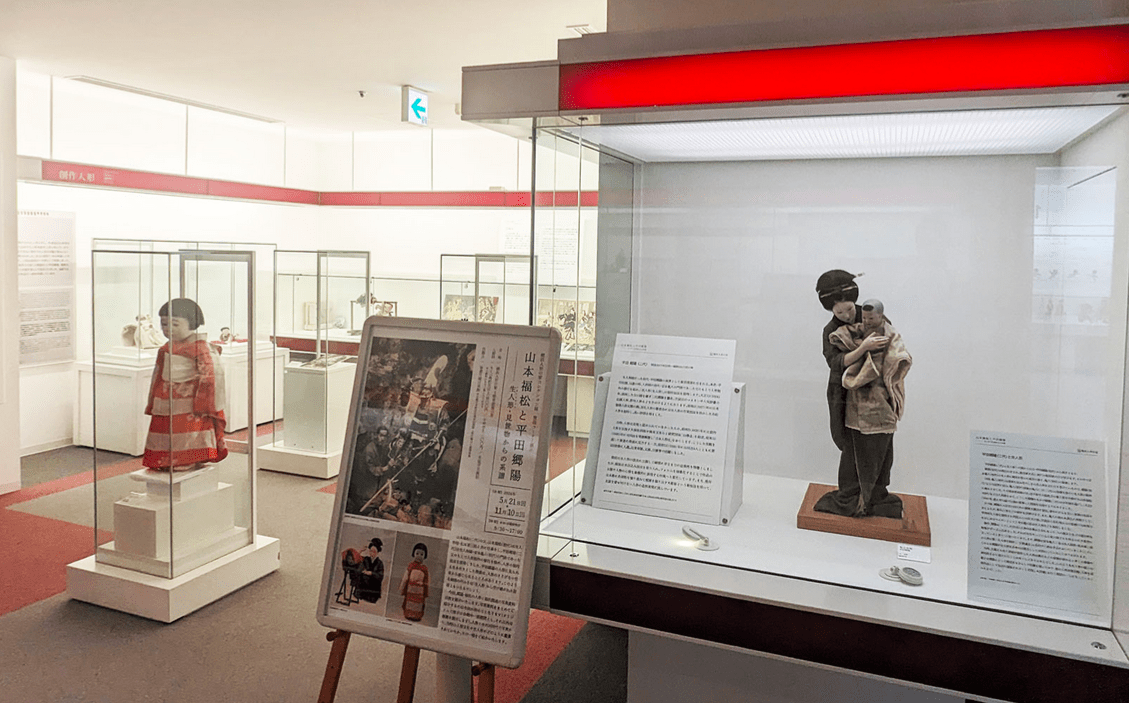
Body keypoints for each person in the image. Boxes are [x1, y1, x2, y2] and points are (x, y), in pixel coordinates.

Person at [814, 298, 912, 518]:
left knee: (882, 451)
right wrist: (864, 348)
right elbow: (837, 359)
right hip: (853, 398)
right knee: (852, 451)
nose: (848, 315)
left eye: (850, 309)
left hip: (880, 398)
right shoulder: (839, 330)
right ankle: (851, 496)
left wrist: (889, 367)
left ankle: (876, 495)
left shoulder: (882, 326)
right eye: (840, 312)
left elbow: (897, 350)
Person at [142, 298, 228, 471]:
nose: (168, 329)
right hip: (166, 398)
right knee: (165, 430)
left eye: (174, 324)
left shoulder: (200, 348)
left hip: (191, 401)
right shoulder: (165, 348)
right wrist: (152, 401)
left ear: (192, 323)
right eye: (164, 324)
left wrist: (205, 403)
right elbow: (157, 375)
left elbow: (209, 376)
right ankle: (165, 461)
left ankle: (187, 460)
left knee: (189, 433)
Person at [400, 542, 430, 622]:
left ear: (425, 556)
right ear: (413, 553)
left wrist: (425, 592)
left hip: (420, 591)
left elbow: (426, 581)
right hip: (410, 589)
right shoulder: (411, 565)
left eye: (421, 554)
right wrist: (402, 587)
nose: (419, 556)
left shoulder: (424, 569)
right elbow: (405, 578)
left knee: (418, 604)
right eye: (417, 553)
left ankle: (417, 616)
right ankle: (408, 614)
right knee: (409, 602)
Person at [354, 538, 384, 603]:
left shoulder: (379, 563)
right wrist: (361, 550)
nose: (371, 553)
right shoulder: (366, 559)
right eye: (370, 551)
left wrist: (371, 573)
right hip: (364, 583)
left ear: (377, 552)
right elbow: (356, 558)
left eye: (374, 551)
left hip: (373, 586)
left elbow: (380, 576)